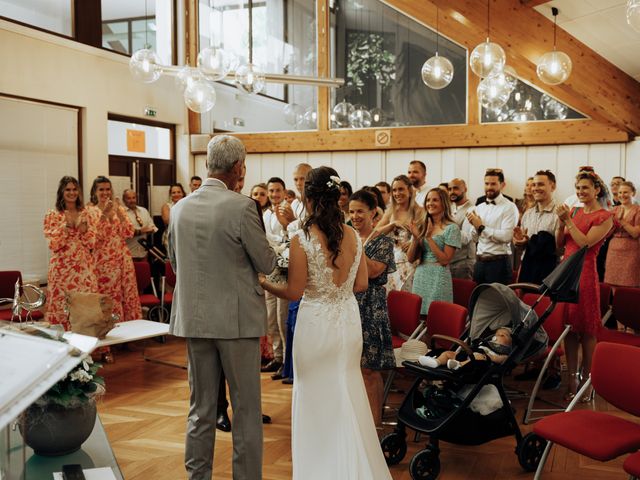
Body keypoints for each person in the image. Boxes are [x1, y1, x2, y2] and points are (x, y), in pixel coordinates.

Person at [259, 166, 392, 480]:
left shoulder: (301, 237)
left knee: (315, 395)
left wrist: (264, 281)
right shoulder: (354, 236)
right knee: (347, 389)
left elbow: (293, 291)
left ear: (308, 196)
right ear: (337, 197)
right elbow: (360, 285)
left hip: (315, 323)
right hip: (347, 321)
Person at [168, 135, 276, 480]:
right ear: (238, 168)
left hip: (195, 322)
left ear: (206, 165)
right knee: (245, 410)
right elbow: (267, 262)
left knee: (200, 409)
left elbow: (174, 263)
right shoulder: (242, 207)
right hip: (237, 324)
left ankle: (197, 477)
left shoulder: (179, 208)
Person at [555, 170, 613, 403]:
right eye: (578, 188)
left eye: (585, 188)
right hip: (566, 272)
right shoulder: (574, 211)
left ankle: (588, 380)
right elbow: (560, 242)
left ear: (597, 190)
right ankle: (571, 379)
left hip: (586, 274)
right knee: (569, 328)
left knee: (587, 331)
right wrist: (561, 224)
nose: (580, 192)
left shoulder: (604, 216)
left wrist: (568, 220)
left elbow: (585, 244)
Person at [349, 189, 396, 428]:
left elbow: (375, 271)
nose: (355, 216)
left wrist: (355, 245)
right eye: (351, 211)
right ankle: (356, 425)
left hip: (371, 309)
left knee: (369, 370)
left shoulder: (383, 241)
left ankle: (374, 427)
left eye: (360, 211)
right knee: (351, 369)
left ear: (373, 213)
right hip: (348, 308)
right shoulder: (347, 238)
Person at [43, 176, 98, 329]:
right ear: (61, 191)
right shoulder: (52, 214)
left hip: (83, 266)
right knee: (62, 306)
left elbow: (91, 243)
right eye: (68, 189)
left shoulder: (86, 213)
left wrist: (84, 231)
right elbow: (53, 244)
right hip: (62, 269)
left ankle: (89, 346)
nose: (72, 192)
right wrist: (65, 228)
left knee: (86, 304)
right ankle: (63, 347)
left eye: (74, 189)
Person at [88, 176, 142, 323]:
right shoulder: (90, 211)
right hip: (103, 259)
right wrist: (104, 215)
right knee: (109, 295)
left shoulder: (119, 209)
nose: (105, 192)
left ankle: (128, 334)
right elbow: (93, 238)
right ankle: (110, 334)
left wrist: (118, 212)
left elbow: (129, 232)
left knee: (127, 294)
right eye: (101, 189)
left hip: (122, 257)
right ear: (94, 191)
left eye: (107, 189)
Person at [408, 188, 461, 315]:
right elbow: (410, 258)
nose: (430, 203)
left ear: (443, 203)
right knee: (418, 316)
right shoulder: (422, 224)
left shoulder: (452, 228)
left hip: (438, 276)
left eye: (435, 200)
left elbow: (445, 260)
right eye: (428, 200)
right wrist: (416, 237)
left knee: (436, 316)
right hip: (421, 275)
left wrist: (428, 237)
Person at [463, 169, 519, 285]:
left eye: (493, 184)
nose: (489, 187)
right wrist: (473, 225)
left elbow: (506, 236)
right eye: (486, 183)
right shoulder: (480, 207)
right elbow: (474, 238)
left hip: (499, 263)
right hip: (479, 262)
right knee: (478, 300)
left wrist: (482, 227)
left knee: (497, 301)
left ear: (502, 185)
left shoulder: (509, 207)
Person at [261, 177, 291, 378]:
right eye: (271, 191)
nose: (274, 194)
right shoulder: (265, 213)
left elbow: (291, 235)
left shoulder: (288, 210)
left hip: (285, 265)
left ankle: (287, 360)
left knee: (282, 316)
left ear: (284, 191)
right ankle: (277, 356)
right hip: (269, 266)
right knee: (270, 315)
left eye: (277, 190)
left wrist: (275, 239)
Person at [375, 174, 424, 292]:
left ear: (410, 190)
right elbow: (375, 233)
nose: (397, 193)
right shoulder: (391, 211)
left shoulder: (419, 212)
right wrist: (392, 224)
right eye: (394, 190)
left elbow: (424, 238)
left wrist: (413, 241)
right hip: (392, 263)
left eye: (401, 189)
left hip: (411, 263)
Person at [514, 170, 560, 284]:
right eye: (534, 185)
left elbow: (561, 248)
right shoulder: (527, 214)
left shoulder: (560, 213)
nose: (535, 188)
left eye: (540, 184)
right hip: (527, 269)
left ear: (552, 186)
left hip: (550, 274)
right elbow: (523, 249)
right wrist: (520, 242)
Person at [604, 181, 640, 288]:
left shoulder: (638, 210)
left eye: (625, 192)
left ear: (632, 193)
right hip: (613, 248)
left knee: (630, 282)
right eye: (620, 193)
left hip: (631, 250)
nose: (622, 195)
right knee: (612, 282)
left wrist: (621, 221)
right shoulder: (614, 210)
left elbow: (635, 234)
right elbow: (607, 234)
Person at [448, 178, 476, 279]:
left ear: (465, 189)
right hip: (449, 262)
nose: (452, 192)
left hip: (463, 264)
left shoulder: (472, 209)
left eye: (455, 188)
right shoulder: (450, 209)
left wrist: (445, 230)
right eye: (449, 189)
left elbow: (467, 238)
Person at [122, 189, 157, 261]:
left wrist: (151, 230)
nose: (132, 200)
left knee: (144, 271)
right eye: (128, 198)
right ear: (124, 200)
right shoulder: (121, 213)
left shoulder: (143, 210)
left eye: (133, 197)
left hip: (143, 253)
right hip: (128, 255)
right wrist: (141, 231)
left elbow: (152, 226)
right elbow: (124, 233)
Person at [161, 183, 186, 251]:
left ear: (183, 193)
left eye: (179, 192)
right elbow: (167, 221)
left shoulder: (188, 206)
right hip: (171, 238)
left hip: (186, 238)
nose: (176, 194)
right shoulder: (166, 206)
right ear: (170, 195)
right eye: (173, 192)